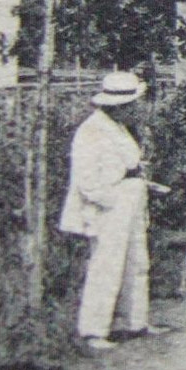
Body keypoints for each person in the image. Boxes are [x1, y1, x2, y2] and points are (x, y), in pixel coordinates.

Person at [58, 70, 163, 350]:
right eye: (133, 105)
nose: (137, 109)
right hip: (108, 208)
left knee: (136, 262)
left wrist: (142, 183)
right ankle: (94, 331)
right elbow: (87, 179)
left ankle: (134, 321)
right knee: (106, 265)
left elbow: (127, 167)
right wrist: (112, 201)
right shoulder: (91, 131)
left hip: (129, 202)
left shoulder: (118, 127)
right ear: (120, 105)